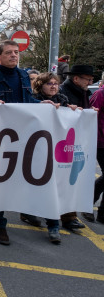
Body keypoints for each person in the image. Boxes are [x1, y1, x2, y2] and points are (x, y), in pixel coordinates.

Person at [0, 40, 54, 245]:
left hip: (23, 137)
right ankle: (0, 225)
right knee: (0, 180)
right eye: (9, 53)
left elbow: (27, 102)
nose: (14, 56)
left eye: (16, 52)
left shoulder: (24, 76)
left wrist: (41, 103)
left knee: (20, 178)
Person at [31, 72, 81, 243]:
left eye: (55, 83)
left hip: (57, 151)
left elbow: (68, 122)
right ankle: (33, 214)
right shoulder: (33, 100)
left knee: (53, 187)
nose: (53, 86)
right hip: (37, 150)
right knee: (39, 187)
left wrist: (74, 111)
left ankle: (53, 226)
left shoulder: (63, 98)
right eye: (48, 83)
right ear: (40, 85)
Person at [58, 64, 96, 231]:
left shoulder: (83, 92)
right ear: (76, 79)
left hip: (75, 142)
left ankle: (69, 216)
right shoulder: (63, 92)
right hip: (63, 142)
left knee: (72, 178)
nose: (90, 82)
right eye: (88, 79)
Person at [84, 70, 104, 224]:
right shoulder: (99, 94)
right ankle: (91, 203)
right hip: (100, 141)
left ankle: (90, 205)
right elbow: (90, 116)